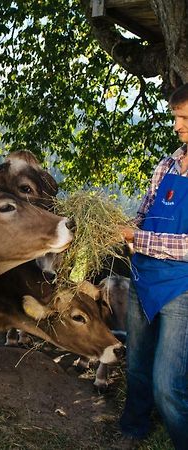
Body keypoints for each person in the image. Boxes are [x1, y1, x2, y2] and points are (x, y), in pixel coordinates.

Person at [119, 82, 188, 450]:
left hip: (182, 287)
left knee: (168, 384)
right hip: (143, 277)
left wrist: (138, 238)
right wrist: (126, 228)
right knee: (136, 363)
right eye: (176, 117)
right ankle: (134, 427)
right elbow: (144, 214)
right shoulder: (167, 165)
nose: (177, 125)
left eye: (185, 118)